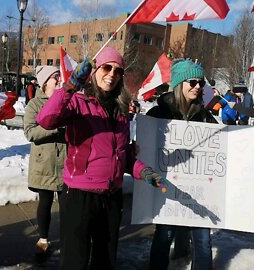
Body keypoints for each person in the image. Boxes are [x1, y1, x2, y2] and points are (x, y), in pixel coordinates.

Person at [37, 47, 165, 269]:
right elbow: (45, 120)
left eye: (118, 70)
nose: (112, 74)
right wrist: (71, 85)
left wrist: (143, 171)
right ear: (95, 70)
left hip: (111, 197)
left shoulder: (121, 112)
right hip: (79, 195)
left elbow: (122, 156)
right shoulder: (78, 102)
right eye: (107, 67)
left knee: (105, 261)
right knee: (74, 261)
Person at [146, 59, 254, 270]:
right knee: (163, 237)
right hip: (169, 192)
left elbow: (227, 141)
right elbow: (144, 145)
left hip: (200, 193)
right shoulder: (158, 114)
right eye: (193, 82)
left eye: (201, 83)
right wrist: (139, 148)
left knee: (203, 242)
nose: (198, 87)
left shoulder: (205, 116)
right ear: (179, 84)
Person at [23, 65, 66, 255]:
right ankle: (43, 238)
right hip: (45, 162)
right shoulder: (34, 104)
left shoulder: (67, 101)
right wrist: (54, 128)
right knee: (45, 202)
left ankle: (68, 240)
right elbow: (30, 132)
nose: (59, 79)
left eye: (59, 75)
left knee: (67, 207)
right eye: (55, 76)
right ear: (45, 81)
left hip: (67, 162)